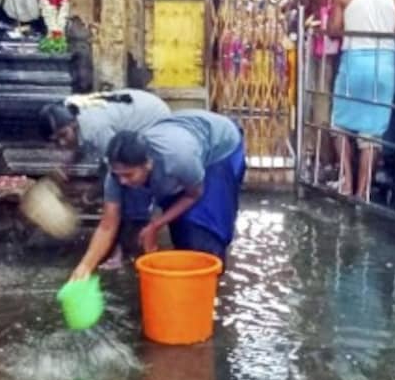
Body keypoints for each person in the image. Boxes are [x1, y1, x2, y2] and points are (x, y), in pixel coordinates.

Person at [68, 110, 246, 282]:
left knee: (203, 231)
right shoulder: (116, 175)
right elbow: (107, 225)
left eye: (128, 175)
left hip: (220, 145)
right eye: (118, 175)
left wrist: (156, 224)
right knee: (180, 232)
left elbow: (193, 194)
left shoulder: (177, 160)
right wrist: (84, 267)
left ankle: (208, 283)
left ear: (148, 164)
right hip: (182, 133)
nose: (122, 181)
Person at [39, 89, 171, 264]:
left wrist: (89, 196)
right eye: (55, 141)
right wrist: (67, 166)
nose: (62, 143)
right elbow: (78, 144)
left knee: (131, 183)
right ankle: (121, 245)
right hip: (137, 109)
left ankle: (125, 250)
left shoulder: (95, 129)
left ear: (74, 124)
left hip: (152, 120)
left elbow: (112, 173)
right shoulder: (69, 110)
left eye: (63, 136)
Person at [327, 0, 395, 199]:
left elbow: (333, 29)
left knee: (341, 124)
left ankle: (345, 181)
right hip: (383, 65)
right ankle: (363, 189)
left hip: (353, 62)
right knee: (372, 131)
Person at [301, 0, 363, 175]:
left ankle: (320, 155)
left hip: (320, 42)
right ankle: (346, 160)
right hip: (349, 43)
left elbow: (305, 8)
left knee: (321, 97)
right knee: (348, 98)